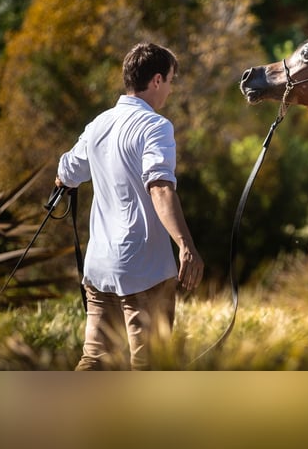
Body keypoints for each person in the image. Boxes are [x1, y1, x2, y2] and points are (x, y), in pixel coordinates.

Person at [55, 42, 204, 370]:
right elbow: (160, 187)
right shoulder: (156, 127)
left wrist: (63, 181)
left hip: (99, 268)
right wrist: (186, 246)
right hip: (144, 269)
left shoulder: (98, 125)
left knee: (93, 361)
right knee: (149, 367)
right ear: (156, 80)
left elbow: (67, 171)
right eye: (170, 82)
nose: (169, 90)